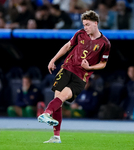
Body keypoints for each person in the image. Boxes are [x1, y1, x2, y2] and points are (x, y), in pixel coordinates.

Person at [37, 10, 111, 143]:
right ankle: (56, 137)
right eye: (84, 24)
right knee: (58, 101)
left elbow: (103, 64)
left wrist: (90, 68)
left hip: (81, 77)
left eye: (87, 24)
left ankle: (46, 114)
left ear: (95, 23)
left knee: (62, 97)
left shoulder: (105, 43)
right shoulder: (80, 34)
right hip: (67, 69)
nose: (85, 27)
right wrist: (53, 60)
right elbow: (67, 46)